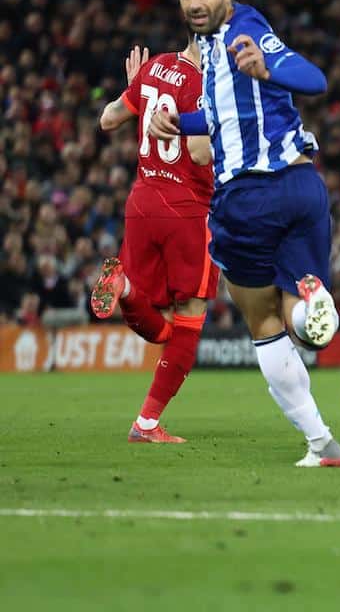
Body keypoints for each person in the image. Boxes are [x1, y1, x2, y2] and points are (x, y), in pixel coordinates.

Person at [148, 0, 340, 468]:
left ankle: (322, 442)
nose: (195, 3)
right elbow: (217, 115)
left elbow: (312, 78)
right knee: (293, 313)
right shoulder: (212, 52)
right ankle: (308, 308)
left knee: (262, 323)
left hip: (247, 198)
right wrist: (178, 121)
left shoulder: (245, 30)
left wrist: (268, 66)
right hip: (303, 186)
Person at [91, 39, 216, 444]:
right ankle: (146, 423)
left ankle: (124, 287)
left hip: (141, 201)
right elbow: (199, 153)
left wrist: (136, 92)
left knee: (163, 327)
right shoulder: (206, 82)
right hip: (187, 210)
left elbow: (108, 120)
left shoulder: (154, 67)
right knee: (189, 323)